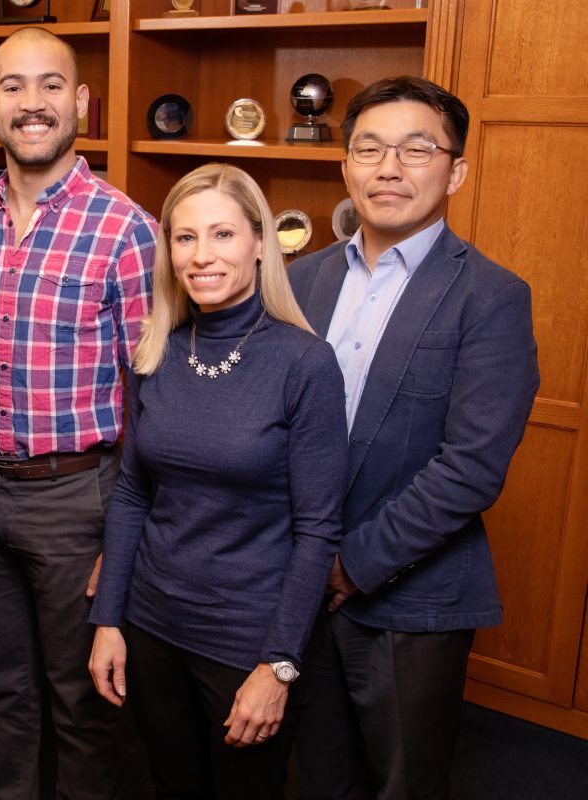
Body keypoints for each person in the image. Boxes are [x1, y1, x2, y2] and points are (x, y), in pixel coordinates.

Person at [289, 76, 540, 800]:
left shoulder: (491, 296)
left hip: (409, 594)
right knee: (314, 776)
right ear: (346, 166)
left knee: (404, 781)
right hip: (294, 585)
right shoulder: (301, 281)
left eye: (415, 149)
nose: (389, 167)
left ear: (456, 169)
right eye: (369, 148)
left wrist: (349, 566)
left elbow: (470, 467)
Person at [0, 26, 158, 800]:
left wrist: (123, 539)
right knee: (0, 690)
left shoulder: (127, 229)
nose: (33, 104)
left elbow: (150, 397)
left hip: (78, 499)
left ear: (82, 102)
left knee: (82, 701)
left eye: (52, 85)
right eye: (14, 88)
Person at [86, 163, 348, 799]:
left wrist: (279, 666)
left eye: (223, 235)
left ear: (261, 243)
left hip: (246, 641)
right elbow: (131, 494)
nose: (201, 256)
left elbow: (318, 530)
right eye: (184, 238)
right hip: (151, 626)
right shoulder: (156, 350)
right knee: (169, 784)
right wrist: (108, 619)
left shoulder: (304, 363)